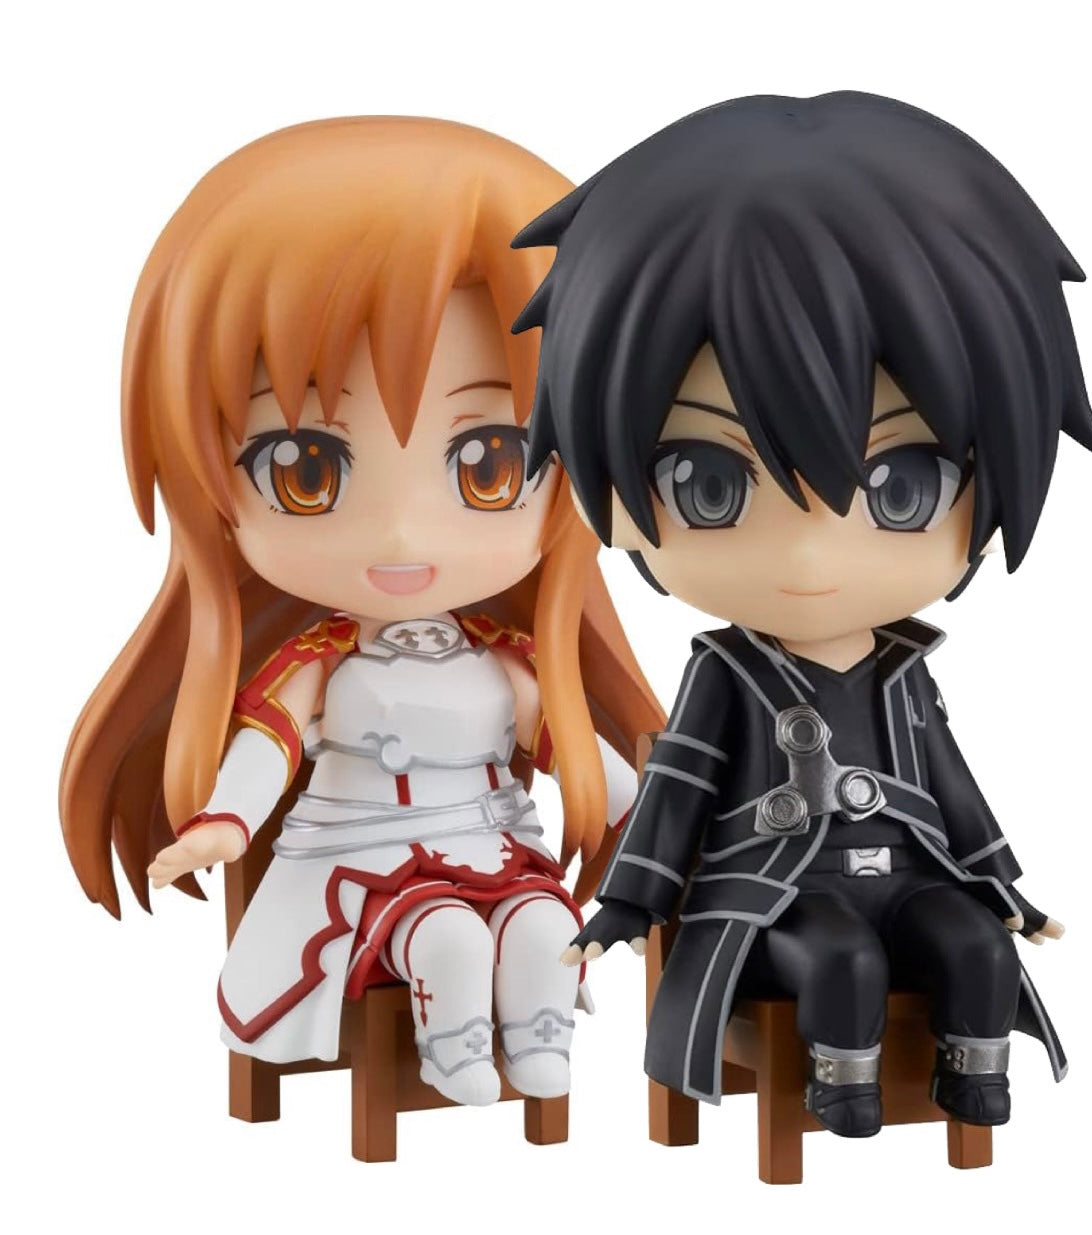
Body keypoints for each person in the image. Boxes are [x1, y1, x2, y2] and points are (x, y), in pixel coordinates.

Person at [513, 92, 1092, 1136]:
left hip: (912, 873)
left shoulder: (906, 669)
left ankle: (974, 1077)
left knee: (975, 945)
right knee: (843, 958)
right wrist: (632, 903)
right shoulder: (728, 671)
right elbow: (680, 782)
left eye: (903, 486)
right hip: (778, 892)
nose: (812, 557)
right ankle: (840, 1082)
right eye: (708, 484)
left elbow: (950, 782)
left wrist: (1004, 885)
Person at [60, 117, 661, 1108]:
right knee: (447, 938)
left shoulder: (508, 658)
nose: (399, 532)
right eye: (305, 469)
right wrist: (225, 823)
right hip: (359, 859)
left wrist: (653, 813)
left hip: (492, 848)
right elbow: (266, 746)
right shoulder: (320, 663)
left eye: (490, 463)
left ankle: (539, 1045)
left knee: (549, 925)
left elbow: (570, 746)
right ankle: (453, 1050)